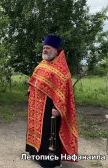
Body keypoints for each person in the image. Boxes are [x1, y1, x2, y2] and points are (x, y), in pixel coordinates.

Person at [25, 35, 78, 167]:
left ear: (55, 50)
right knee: (37, 130)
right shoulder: (42, 64)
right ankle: (34, 153)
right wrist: (31, 92)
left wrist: (57, 107)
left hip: (51, 108)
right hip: (36, 105)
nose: (45, 50)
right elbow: (34, 80)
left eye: (48, 48)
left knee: (49, 133)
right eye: (44, 48)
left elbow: (62, 91)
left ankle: (49, 160)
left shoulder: (61, 69)